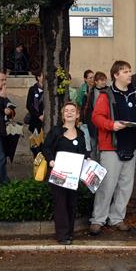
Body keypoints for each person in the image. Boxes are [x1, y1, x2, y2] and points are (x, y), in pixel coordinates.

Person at [89, 61, 136, 236]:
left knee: (126, 186)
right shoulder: (107, 95)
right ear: (116, 75)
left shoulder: (135, 94)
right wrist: (112, 125)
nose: (129, 74)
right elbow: (96, 117)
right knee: (107, 185)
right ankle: (98, 219)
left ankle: (117, 218)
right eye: (125, 71)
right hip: (111, 146)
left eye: (129, 71)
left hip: (131, 145)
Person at [43, 102, 89, 245]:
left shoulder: (80, 134)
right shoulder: (56, 132)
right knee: (61, 203)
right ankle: (62, 235)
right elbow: (46, 148)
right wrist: (51, 160)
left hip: (73, 175)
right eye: (66, 111)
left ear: (77, 115)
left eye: (72, 111)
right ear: (63, 115)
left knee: (71, 203)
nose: (69, 113)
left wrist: (87, 159)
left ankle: (69, 233)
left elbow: (83, 151)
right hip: (59, 173)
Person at [84, 71, 108, 161]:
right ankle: (93, 164)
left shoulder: (108, 91)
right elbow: (87, 108)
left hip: (104, 122)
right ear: (96, 81)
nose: (104, 82)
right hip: (93, 123)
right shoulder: (92, 92)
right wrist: (86, 121)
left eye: (105, 80)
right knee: (93, 145)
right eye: (101, 80)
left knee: (102, 145)